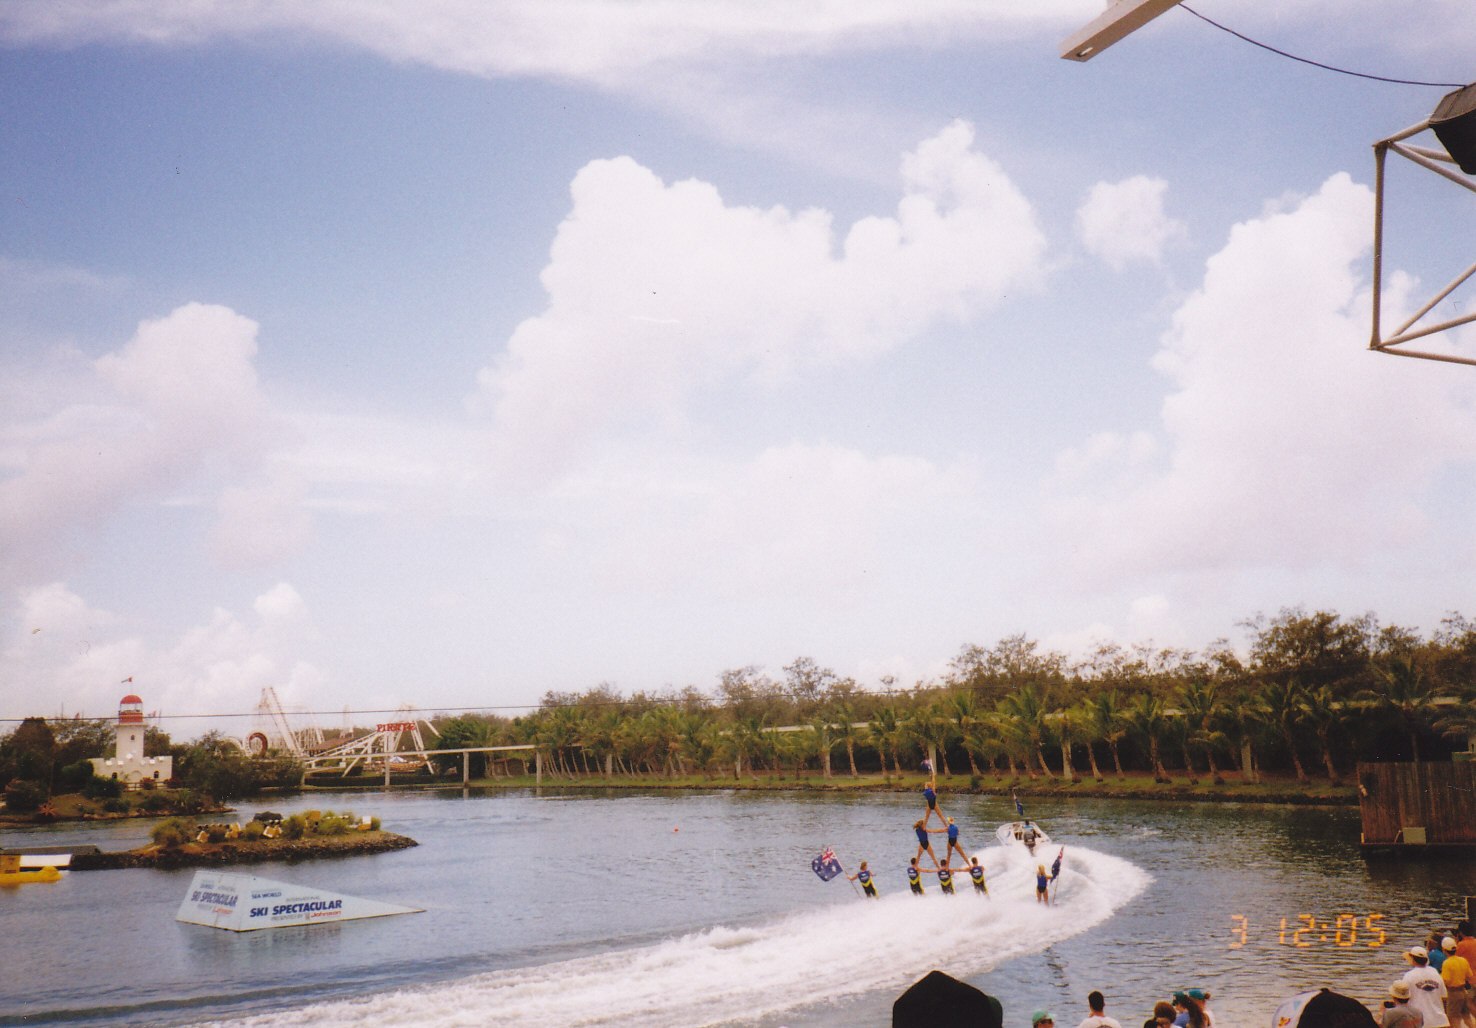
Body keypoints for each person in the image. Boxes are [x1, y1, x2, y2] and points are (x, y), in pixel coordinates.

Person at [1403, 945, 1450, 1028]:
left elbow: (1403, 999)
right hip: (1440, 1020)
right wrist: (1445, 1014)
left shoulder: (1409, 976)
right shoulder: (1434, 972)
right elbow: (1444, 997)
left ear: (1413, 959)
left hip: (1420, 1022)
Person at [1440, 936, 1473, 1028]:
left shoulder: (1447, 963)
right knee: (1466, 1016)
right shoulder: (1463, 960)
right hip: (1463, 991)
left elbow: (1445, 980)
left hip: (1453, 992)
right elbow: (1469, 975)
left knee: (1453, 1018)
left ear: (1444, 950)